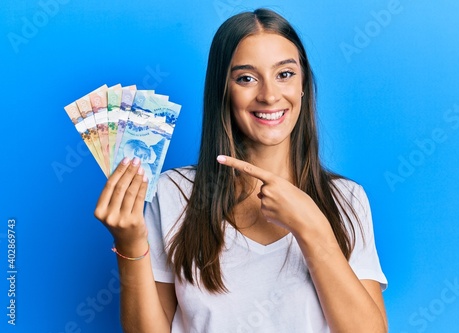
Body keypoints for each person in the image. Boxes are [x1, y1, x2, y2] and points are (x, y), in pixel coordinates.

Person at [94, 8, 388, 333]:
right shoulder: (173, 192)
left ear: (303, 83)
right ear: (223, 90)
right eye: (246, 78)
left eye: (285, 74)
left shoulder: (346, 199)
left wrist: (313, 229)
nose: (270, 95)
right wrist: (130, 244)